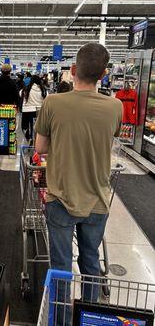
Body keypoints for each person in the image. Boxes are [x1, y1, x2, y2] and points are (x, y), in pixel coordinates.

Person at [35, 43, 122, 325]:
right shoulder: (115, 107)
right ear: (104, 74)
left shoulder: (52, 103)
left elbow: (40, 147)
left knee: (61, 267)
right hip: (97, 199)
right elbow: (110, 138)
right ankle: (89, 317)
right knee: (91, 263)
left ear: (72, 71)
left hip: (61, 198)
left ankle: (60, 319)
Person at [21, 75, 46, 140]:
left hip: (27, 110)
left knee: (25, 127)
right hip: (39, 111)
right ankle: (37, 139)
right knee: (38, 127)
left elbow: (20, 94)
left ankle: (29, 138)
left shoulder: (26, 89)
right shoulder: (43, 90)